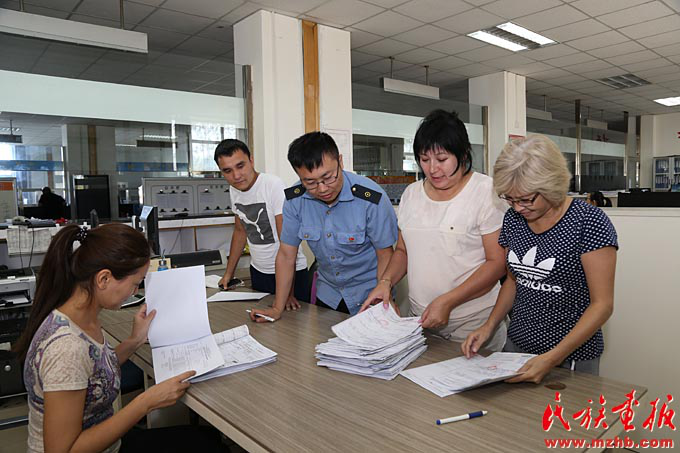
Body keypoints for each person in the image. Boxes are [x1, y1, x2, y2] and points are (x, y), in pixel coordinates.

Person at [14, 224, 225, 453]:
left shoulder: (80, 316)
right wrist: (145, 403)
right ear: (104, 279)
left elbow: (94, 368)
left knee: (207, 438)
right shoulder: (66, 349)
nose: (134, 292)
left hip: (108, 444)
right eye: (135, 284)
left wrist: (134, 340)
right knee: (208, 445)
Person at [462, 135, 618, 383]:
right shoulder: (513, 220)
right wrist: (489, 326)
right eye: (510, 199)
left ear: (551, 186)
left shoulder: (589, 222)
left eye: (526, 199)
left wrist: (552, 358)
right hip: (517, 345)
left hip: (571, 355)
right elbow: (513, 281)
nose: (517, 207)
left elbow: (602, 305)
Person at [360, 110, 508, 349]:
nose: (433, 169)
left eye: (441, 159)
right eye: (424, 159)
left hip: (473, 324)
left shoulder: (485, 192)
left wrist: (448, 301)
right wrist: (386, 281)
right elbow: (403, 251)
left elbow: (497, 263)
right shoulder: (412, 194)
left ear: (463, 154)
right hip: (421, 320)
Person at [249, 132, 398, 322]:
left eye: (328, 177)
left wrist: (383, 295)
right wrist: (277, 308)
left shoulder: (370, 198)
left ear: (340, 162)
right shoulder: (295, 200)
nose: (322, 189)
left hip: (369, 294)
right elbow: (286, 255)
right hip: (329, 295)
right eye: (310, 182)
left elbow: (385, 254)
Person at [214, 139, 310, 304]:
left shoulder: (273, 185)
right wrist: (229, 274)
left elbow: (287, 241)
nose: (236, 176)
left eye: (240, 166)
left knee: (294, 320)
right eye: (227, 171)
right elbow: (240, 231)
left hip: (289, 275)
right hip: (259, 272)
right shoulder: (234, 189)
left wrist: (288, 292)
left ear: (251, 160)